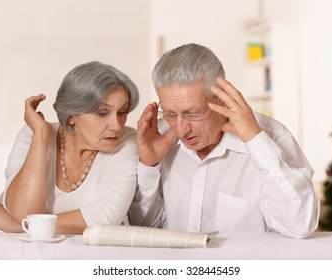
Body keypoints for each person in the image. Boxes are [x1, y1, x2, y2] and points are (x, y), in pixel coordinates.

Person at [128, 43, 320, 238]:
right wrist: (148, 166)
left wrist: (256, 142)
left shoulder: (272, 136)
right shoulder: (158, 137)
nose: (181, 129)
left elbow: (300, 226)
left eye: (193, 113)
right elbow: (145, 229)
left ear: (221, 99)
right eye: (170, 113)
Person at [0, 61, 140, 234]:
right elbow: (20, 212)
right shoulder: (33, 134)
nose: (117, 126)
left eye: (122, 112)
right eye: (102, 113)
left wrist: (23, 227)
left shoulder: (126, 141)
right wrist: (41, 136)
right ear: (72, 114)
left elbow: (106, 217)